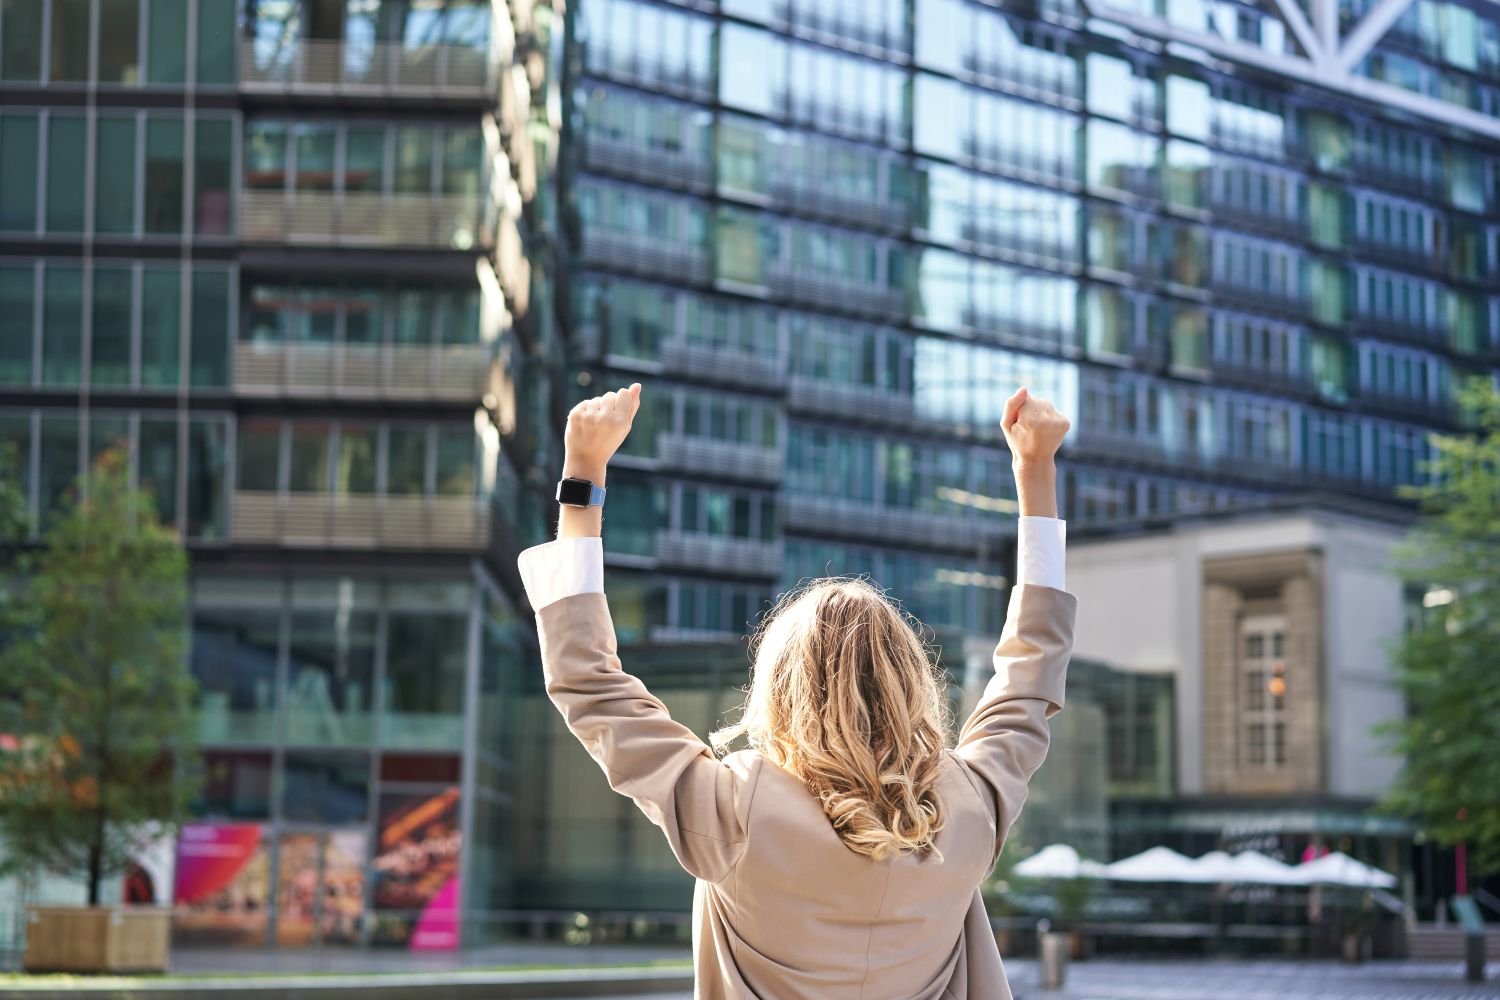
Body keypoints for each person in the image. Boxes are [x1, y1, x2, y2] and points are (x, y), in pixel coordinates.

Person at [518, 382, 1075, 999]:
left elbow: (588, 680)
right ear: (911, 683)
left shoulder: (735, 809)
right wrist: (1036, 473)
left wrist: (584, 473)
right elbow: (1031, 676)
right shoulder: (972, 806)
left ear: (782, 688)